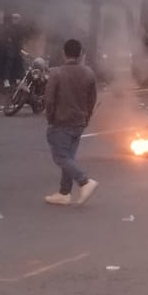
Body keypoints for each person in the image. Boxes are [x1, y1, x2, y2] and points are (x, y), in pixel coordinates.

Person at [43, 38, 99, 206]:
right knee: (69, 157)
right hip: (79, 122)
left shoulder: (56, 73)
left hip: (61, 122)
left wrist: (51, 119)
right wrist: (87, 116)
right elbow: (92, 99)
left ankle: (84, 181)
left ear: (63, 53)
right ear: (80, 54)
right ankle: (64, 193)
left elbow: (49, 100)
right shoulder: (89, 73)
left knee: (61, 157)